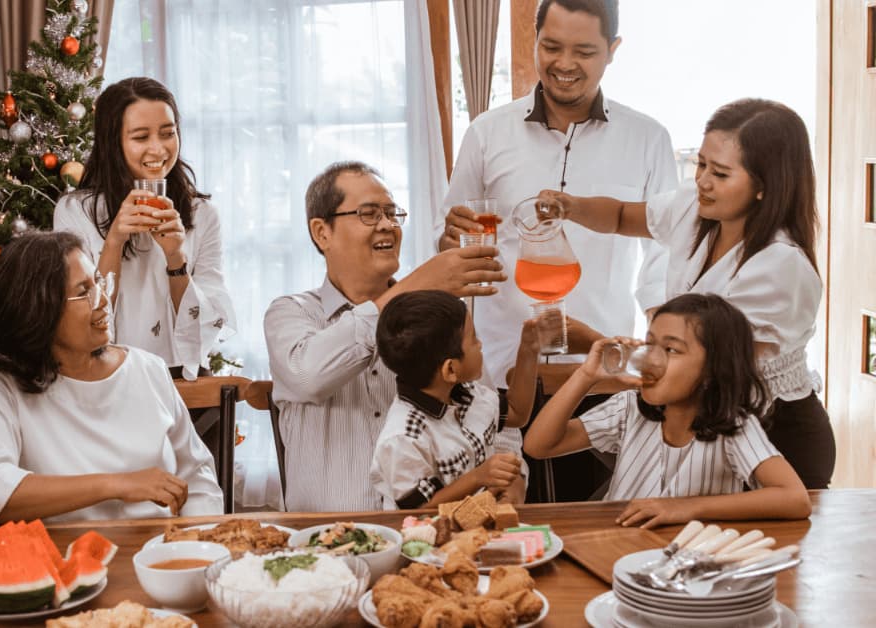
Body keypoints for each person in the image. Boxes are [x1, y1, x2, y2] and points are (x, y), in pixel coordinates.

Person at [436, 0, 678, 501]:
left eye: (584, 51)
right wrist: (449, 240)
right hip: (496, 375)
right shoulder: (486, 132)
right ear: (534, 39)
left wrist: (663, 355)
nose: (564, 63)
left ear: (612, 51)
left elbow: (662, 261)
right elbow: (449, 245)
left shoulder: (649, 138)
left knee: (590, 524)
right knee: (496, 527)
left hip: (596, 374)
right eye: (551, 46)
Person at [537, 98, 833, 488]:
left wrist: (595, 344)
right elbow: (623, 216)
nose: (703, 181)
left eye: (721, 174)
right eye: (702, 163)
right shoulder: (695, 211)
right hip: (708, 418)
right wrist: (571, 207)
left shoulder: (780, 267)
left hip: (772, 434)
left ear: (764, 186)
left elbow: (707, 368)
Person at [265, 161, 516, 512]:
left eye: (392, 212)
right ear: (322, 232)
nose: (387, 225)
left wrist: (513, 482)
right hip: (328, 544)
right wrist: (417, 285)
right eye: (368, 213)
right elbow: (309, 376)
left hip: (433, 540)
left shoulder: (432, 317)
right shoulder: (291, 313)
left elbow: (490, 418)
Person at [0, 231, 223, 523]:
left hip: (158, 554)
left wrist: (195, 546)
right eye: (84, 291)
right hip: (59, 562)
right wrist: (116, 485)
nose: (102, 300)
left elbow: (197, 476)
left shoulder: (149, 369)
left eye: (98, 281)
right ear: (39, 309)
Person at [523, 294, 811, 528]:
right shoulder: (629, 408)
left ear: (713, 370)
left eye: (671, 350)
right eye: (650, 344)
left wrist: (684, 508)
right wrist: (587, 376)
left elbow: (795, 498)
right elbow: (538, 446)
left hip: (684, 567)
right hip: (614, 548)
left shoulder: (733, 427)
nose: (652, 359)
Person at [53, 76, 234, 381]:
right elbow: (77, 319)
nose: (158, 149)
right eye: (140, 137)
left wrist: (176, 258)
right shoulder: (76, 211)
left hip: (182, 381)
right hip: (105, 378)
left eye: (168, 133)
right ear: (114, 142)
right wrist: (114, 242)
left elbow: (206, 327)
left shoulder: (201, 215)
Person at [370, 290, 540, 509]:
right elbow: (419, 510)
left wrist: (529, 349)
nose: (480, 344)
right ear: (450, 369)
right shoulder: (404, 438)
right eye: (473, 339)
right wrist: (478, 477)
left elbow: (517, 413)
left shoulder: (470, 393)